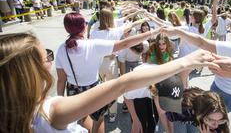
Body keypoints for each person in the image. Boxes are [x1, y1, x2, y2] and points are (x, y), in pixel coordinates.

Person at [0, 32, 215, 133]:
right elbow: (123, 84)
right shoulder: (50, 110)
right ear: (28, 73)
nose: (49, 59)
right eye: (45, 56)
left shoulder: (15, 117)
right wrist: (186, 62)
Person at [56, 12, 160, 131]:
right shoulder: (92, 45)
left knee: (82, 119)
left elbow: (61, 80)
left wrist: (59, 100)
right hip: (93, 90)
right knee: (99, 120)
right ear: (83, 27)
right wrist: (152, 32)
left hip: (73, 90)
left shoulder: (61, 49)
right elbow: (125, 43)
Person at [161, 0, 231, 112]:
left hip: (223, 93)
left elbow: (201, 42)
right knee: (222, 119)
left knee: (211, 122)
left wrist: (179, 33)